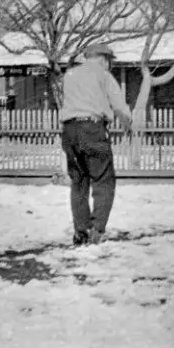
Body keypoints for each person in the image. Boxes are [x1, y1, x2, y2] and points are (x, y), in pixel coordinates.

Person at [59, 43, 136, 245]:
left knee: (79, 182)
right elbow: (119, 104)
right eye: (110, 61)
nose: (110, 65)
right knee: (104, 180)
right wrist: (127, 122)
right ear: (103, 59)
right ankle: (97, 229)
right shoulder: (103, 75)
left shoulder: (70, 75)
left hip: (69, 131)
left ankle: (81, 230)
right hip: (92, 130)